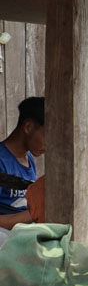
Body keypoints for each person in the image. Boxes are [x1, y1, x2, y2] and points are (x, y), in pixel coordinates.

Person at [0, 97, 45, 232]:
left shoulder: (29, 159)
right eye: (47, 135)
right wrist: (34, 214)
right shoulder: (1, 160)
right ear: (28, 127)